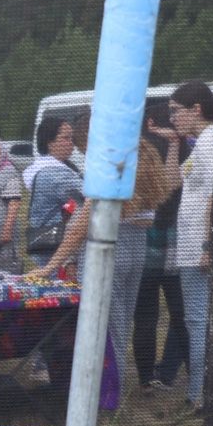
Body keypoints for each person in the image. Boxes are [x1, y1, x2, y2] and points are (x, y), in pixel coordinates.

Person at [33, 133, 176, 391]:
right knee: (119, 326)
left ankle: (106, 394)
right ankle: (112, 389)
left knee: (104, 330)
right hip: (136, 252)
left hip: (107, 254)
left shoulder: (108, 181)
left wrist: (49, 267)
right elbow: (147, 220)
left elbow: (78, 230)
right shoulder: (144, 182)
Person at [149, 80, 213, 413]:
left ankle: (201, 395)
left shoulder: (211, 142)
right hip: (189, 246)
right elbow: (173, 181)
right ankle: (198, 392)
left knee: (198, 321)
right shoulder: (199, 142)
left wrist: (207, 245)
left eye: (176, 111)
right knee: (194, 321)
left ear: (197, 110)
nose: (172, 117)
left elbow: (211, 197)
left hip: (198, 249)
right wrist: (176, 143)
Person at [133, 102, 190, 391]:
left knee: (145, 314)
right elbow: (174, 188)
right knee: (181, 312)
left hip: (143, 237)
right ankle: (187, 376)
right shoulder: (183, 145)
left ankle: (146, 377)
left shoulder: (135, 150)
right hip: (175, 237)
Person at [22, 117, 86, 269]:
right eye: (66, 138)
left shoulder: (41, 169)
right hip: (59, 251)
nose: (72, 143)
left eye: (72, 138)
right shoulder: (55, 174)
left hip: (46, 243)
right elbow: (90, 195)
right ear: (50, 143)